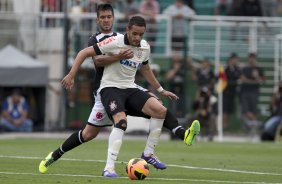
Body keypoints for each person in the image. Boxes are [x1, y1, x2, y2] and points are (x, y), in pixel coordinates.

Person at [39, 4, 200, 178]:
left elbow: (144, 69)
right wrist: (72, 74)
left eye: (109, 17)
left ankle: (163, 146)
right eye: (103, 17)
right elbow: (97, 61)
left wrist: (158, 89)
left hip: (127, 87)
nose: (106, 20)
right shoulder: (102, 40)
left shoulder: (140, 45)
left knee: (159, 108)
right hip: (105, 90)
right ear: (98, 19)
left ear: (114, 19)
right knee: (88, 134)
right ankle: (57, 155)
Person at [240, 53, 265, 132]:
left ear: (255, 59)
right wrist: (254, 81)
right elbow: (243, 79)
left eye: (253, 58)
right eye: (250, 58)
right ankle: (257, 123)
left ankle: (253, 127)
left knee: (253, 110)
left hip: (254, 92)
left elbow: (263, 80)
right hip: (244, 92)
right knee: (245, 111)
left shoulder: (259, 69)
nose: (252, 60)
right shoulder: (245, 68)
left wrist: (257, 77)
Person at [223, 53, 241, 129]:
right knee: (224, 110)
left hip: (233, 93)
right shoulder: (225, 68)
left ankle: (226, 126)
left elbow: (239, 77)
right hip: (226, 92)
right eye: (235, 59)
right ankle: (223, 126)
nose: (236, 61)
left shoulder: (237, 69)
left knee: (229, 110)